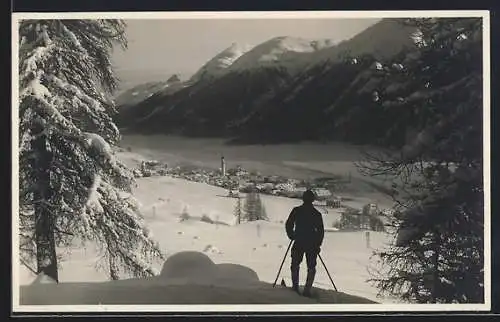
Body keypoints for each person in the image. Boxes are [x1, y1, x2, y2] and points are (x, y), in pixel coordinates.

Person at [285, 189, 324, 297]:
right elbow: (320, 232)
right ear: (313, 200)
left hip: (299, 241)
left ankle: (295, 287)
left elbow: (289, 224)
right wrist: (318, 244)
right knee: (311, 267)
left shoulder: (297, 210)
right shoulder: (316, 214)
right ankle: (307, 289)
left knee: (295, 265)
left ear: (303, 199)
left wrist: (291, 235)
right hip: (311, 244)